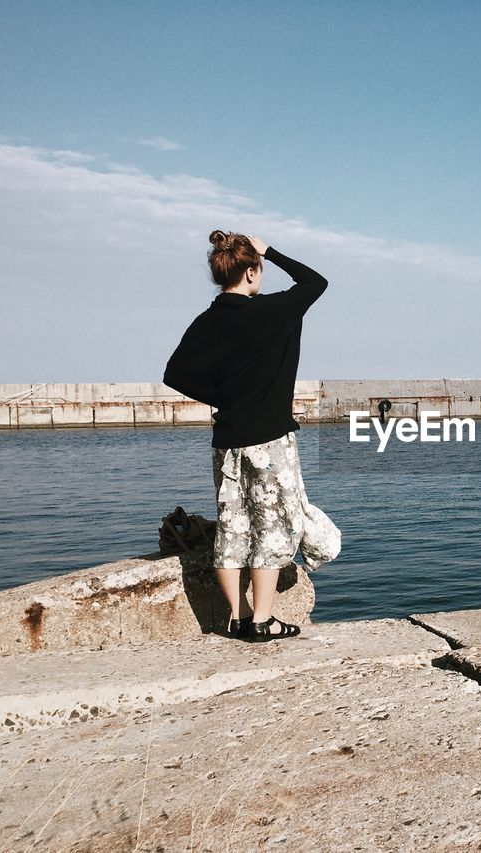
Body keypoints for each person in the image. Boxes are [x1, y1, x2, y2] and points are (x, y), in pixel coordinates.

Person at [164, 230, 328, 641]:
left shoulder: (208, 320)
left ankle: (237, 618)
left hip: (227, 439)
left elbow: (174, 375)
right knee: (274, 527)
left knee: (232, 526)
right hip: (270, 439)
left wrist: (222, 395)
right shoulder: (274, 311)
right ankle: (263, 620)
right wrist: (268, 249)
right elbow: (315, 282)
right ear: (252, 270)